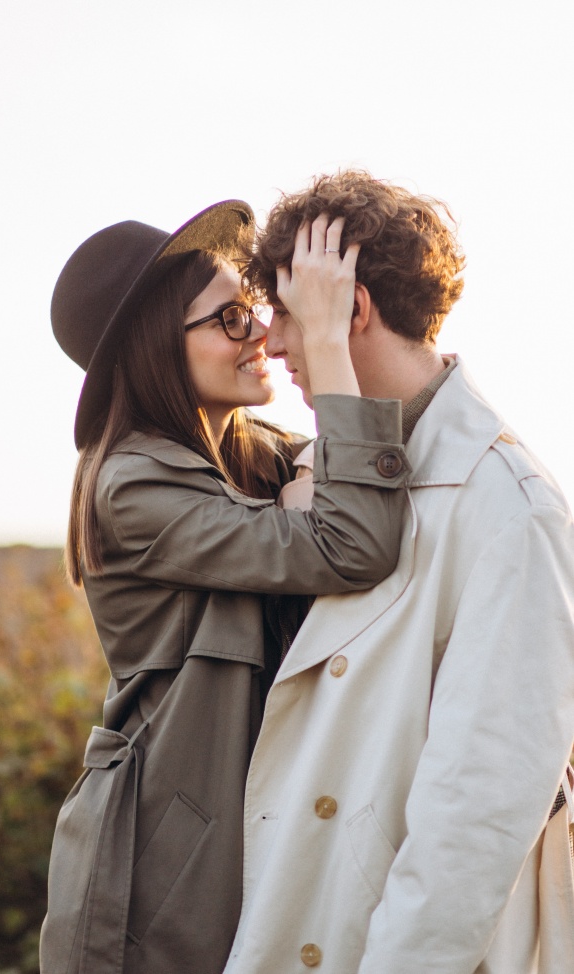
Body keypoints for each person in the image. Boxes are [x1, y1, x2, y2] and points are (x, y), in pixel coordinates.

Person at [39, 200, 411, 974]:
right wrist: (328, 346)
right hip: (160, 875)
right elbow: (352, 544)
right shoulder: (132, 487)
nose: (261, 339)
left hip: (240, 846)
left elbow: (361, 473)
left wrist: (307, 475)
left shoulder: (252, 455)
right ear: (157, 351)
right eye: (232, 320)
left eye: (255, 311)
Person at [224, 172, 574, 974]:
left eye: (285, 309)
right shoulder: (321, 474)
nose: (272, 345)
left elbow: (474, 817)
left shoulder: (511, 507)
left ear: (350, 307)